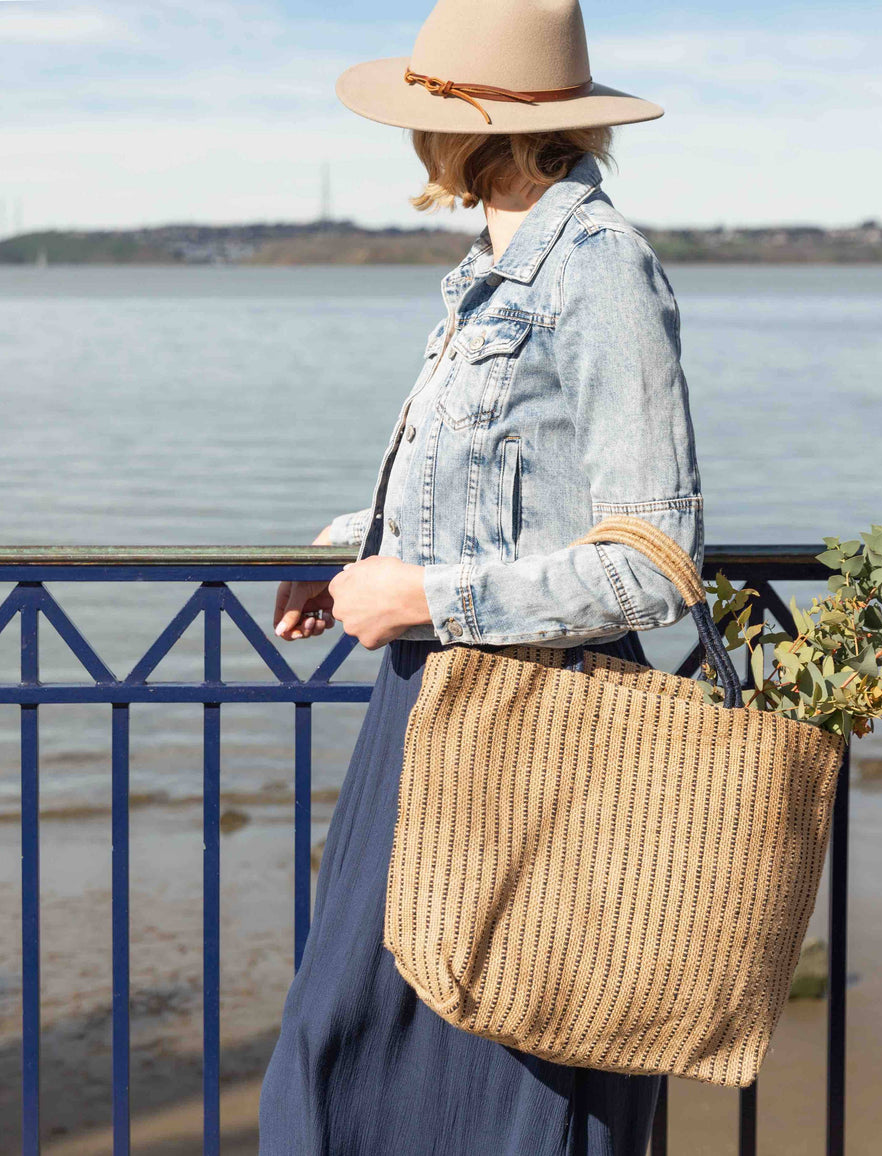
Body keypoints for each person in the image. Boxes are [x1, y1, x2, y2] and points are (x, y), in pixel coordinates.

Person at [260, 1, 702, 1151]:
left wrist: (424, 598)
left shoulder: (598, 267)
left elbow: (651, 563)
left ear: (464, 131)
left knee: (507, 1070)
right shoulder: (487, 271)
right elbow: (509, 491)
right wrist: (368, 554)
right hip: (427, 711)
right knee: (345, 1048)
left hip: (535, 727)